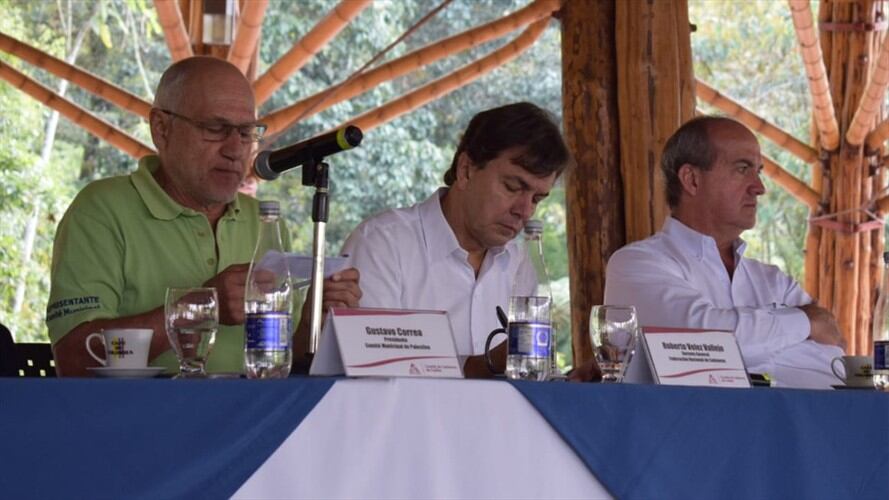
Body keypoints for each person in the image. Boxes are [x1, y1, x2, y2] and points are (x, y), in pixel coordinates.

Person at [46, 57, 360, 376]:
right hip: (141, 419)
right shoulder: (103, 209)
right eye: (216, 129)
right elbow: (73, 359)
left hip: (254, 421)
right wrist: (199, 309)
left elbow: (276, 366)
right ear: (161, 128)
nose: (235, 149)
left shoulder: (265, 223)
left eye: (247, 132)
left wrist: (311, 322)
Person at [604, 115, 845, 389]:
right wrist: (806, 322)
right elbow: (701, 340)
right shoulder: (636, 264)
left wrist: (742, 348)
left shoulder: (775, 282)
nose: (759, 187)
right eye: (743, 169)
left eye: (759, 171)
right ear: (691, 180)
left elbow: (832, 366)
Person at [340, 102, 571, 377]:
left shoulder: (518, 262)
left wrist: (567, 381)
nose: (524, 210)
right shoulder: (384, 243)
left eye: (536, 199)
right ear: (466, 170)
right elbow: (372, 369)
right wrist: (485, 363)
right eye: (512, 187)